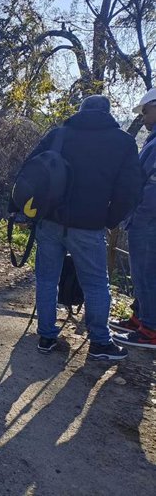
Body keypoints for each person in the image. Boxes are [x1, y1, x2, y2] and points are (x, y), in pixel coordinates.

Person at [11, 95, 142, 359]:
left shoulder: (59, 135)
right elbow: (130, 190)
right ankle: (100, 343)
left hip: (49, 221)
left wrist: (27, 211)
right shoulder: (123, 142)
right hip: (89, 225)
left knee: (47, 280)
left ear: (80, 111)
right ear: (108, 112)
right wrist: (109, 218)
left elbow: (29, 172)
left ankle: (46, 336)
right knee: (95, 284)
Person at [112, 89, 156, 349]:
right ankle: (140, 318)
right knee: (142, 271)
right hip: (145, 217)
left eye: (146, 111)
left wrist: (138, 211)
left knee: (146, 272)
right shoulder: (153, 138)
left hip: (149, 219)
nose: (144, 117)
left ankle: (150, 329)